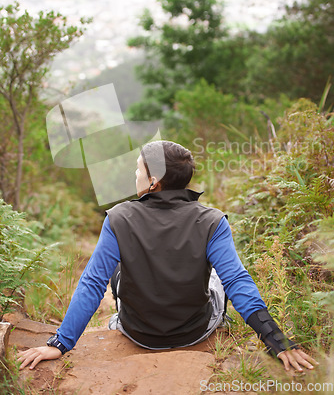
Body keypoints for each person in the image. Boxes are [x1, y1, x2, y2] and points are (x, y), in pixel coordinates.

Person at [18, 141, 318, 373]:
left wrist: (60, 343)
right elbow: (237, 281)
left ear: (153, 182)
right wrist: (275, 340)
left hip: (138, 332)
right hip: (195, 331)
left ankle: (118, 321)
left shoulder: (119, 218)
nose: (134, 175)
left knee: (117, 267)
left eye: (138, 170)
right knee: (220, 274)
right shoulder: (211, 220)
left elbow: (92, 284)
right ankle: (218, 322)